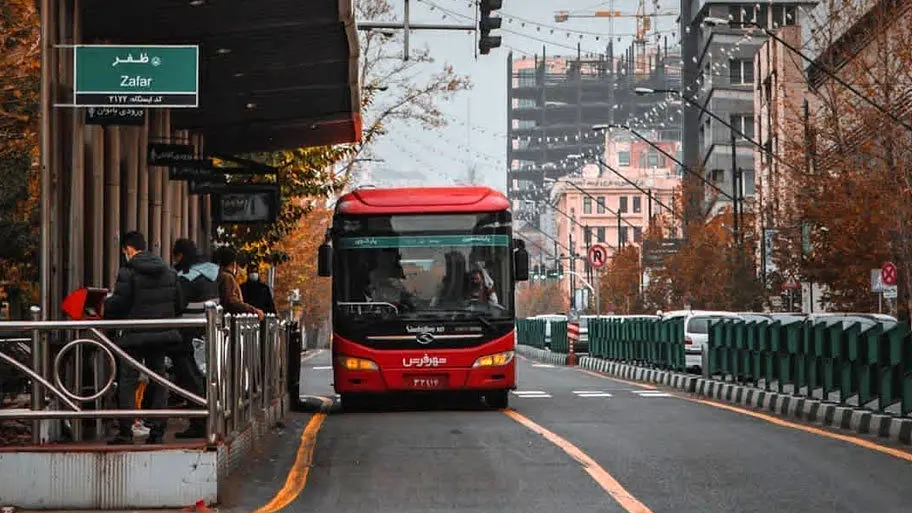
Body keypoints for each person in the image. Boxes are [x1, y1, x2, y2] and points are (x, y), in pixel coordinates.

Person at [104, 231, 185, 445]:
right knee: (158, 378)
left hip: (135, 335)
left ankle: (125, 431)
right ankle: (158, 431)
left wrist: (105, 309)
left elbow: (118, 304)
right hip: (161, 334)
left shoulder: (127, 272)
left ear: (128, 249)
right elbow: (179, 302)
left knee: (128, 380)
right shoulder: (168, 271)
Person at [170, 238, 220, 438]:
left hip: (187, 334)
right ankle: (209, 420)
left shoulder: (186, 277)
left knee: (190, 377)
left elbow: (177, 303)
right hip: (208, 333)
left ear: (180, 255)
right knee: (207, 377)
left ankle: (198, 424)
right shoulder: (212, 274)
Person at [214, 247, 264, 319]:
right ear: (233, 263)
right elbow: (232, 302)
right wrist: (254, 311)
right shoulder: (228, 278)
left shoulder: (220, 275)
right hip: (229, 321)